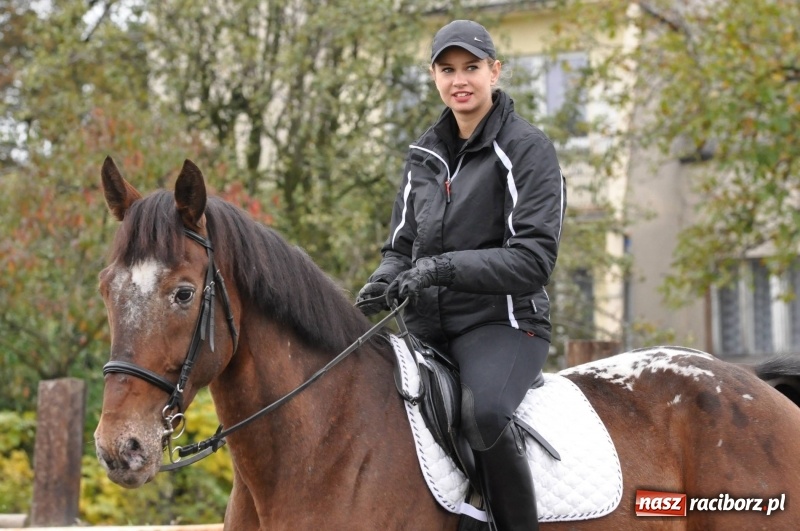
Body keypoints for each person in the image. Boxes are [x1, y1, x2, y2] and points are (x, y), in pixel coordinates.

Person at [356, 19, 566, 531]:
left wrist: (440, 269)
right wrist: (381, 282)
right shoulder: (423, 156)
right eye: (447, 70)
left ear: (495, 71)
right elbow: (400, 247)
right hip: (427, 332)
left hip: (505, 324)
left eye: (471, 67)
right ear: (433, 77)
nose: (460, 80)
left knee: (485, 413)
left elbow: (533, 258)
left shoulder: (526, 149)